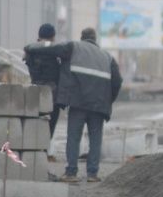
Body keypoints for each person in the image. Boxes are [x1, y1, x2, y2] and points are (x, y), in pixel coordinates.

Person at [28, 27, 122, 183]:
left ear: (82, 37)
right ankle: (92, 174)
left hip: (78, 103)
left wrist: (30, 47)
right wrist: (108, 99)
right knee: (95, 139)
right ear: (95, 39)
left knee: (73, 137)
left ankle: (71, 173)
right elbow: (117, 81)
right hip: (99, 105)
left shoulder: (74, 47)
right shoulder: (108, 57)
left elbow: (51, 48)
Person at [23, 23, 64, 162]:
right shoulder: (56, 51)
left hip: (35, 92)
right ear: (53, 36)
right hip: (52, 94)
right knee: (50, 125)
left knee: (35, 124)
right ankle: (45, 152)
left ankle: (36, 151)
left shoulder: (30, 51)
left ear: (39, 36)